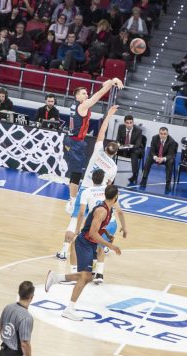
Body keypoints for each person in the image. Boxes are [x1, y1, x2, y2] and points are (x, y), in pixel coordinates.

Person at [45, 185, 124, 320]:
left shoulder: (108, 209)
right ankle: (69, 309)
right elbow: (92, 233)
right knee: (85, 276)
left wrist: (106, 234)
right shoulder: (102, 211)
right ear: (116, 196)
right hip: (85, 243)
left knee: (87, 276)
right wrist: (110, 245)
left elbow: (98, 228)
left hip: (89, 243)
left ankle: (56, 278)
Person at [57, 106, 121, 261]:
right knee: (102, 223)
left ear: (105, 147)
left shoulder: (98, 151)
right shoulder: (113, 167)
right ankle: (100, 248)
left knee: (74, 222)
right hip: (99, 195)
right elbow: (110, 185)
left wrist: (108, 116)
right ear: (116, 153)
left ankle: (64, 251)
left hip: (85, 190)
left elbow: (101, 133)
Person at [64, 78, 124, 213]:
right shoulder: (82, 106)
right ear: (77, 96)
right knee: (76, 173)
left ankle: (73, 199)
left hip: (72, 140)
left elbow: (101, 87)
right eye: (83, 93)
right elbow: (98, 95)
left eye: (86, 93)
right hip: (75, 141)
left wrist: (110, 82)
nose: (86, 95)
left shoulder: (76, 105)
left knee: (76, 172)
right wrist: (113, 80)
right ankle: (72, 201)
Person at [140, 126, 178, 191]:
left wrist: (163, 159)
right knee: (149, 158)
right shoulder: (154, 138)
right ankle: (144, 178)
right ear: (159, 133)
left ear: (167, 134)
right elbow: (152, 151)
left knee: (171, 161)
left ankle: (168, 183)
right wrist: (155, 157)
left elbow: (171, 155)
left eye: (164, 134)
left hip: (165, 158)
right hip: (156, 157)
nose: (162, 135)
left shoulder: (172, 141)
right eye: (161, 133)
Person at [116, 114, 145, 185]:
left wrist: (130, 146)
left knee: (134, 153)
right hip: (123, 148)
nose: (129, 125)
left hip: (133, 148)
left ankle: (134, 175)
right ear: (124, 123)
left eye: (131, 123)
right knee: (113, 148)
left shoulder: (139, 130)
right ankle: (109, 170)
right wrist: (118, 144)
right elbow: (118, 139)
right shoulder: (121, 127)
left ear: (133, 122)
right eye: (127, 123)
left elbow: (137, 145)